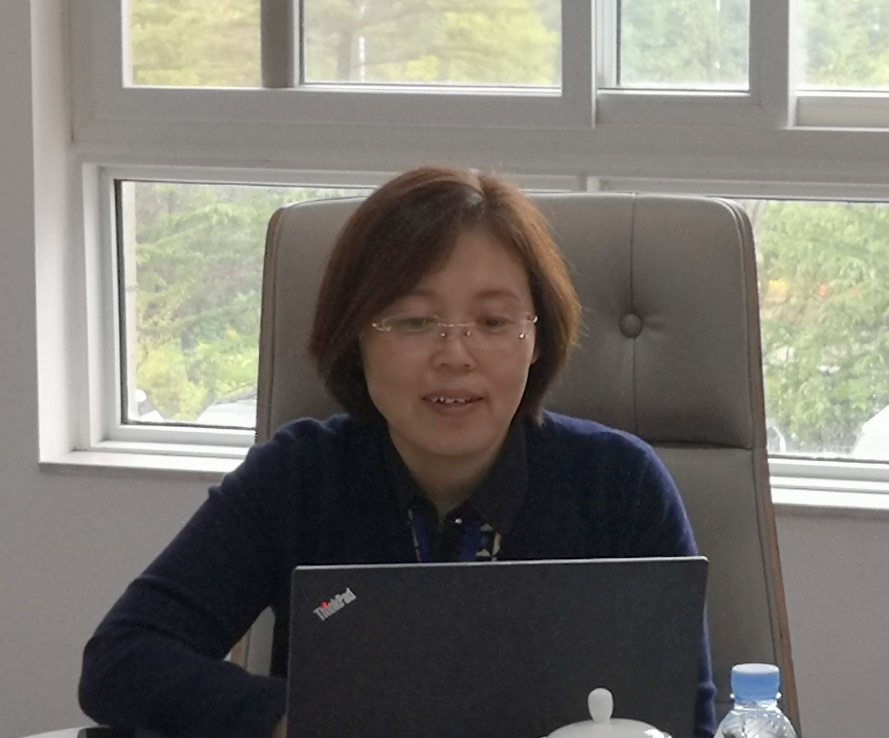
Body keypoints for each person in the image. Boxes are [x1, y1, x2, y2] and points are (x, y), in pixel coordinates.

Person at [79, 166, 717, 738]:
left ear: (538, 342)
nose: (455, 355)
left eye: (493, 323)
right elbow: (120, 660)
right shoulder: (299, 477)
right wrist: (300, 720)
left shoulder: (618, 484)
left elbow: (683, 718)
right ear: (355, 338)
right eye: (414, 321)